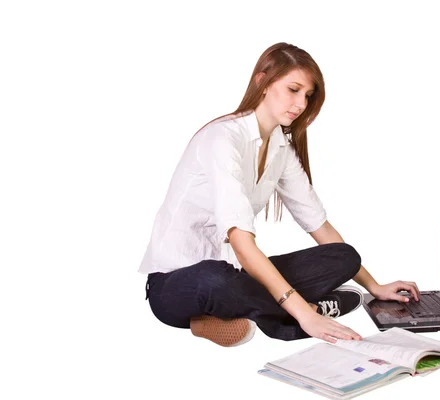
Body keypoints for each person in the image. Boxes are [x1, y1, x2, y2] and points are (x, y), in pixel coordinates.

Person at [139, 42, 420, 347]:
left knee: (345, 257)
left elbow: (319, 225)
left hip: (238, 279)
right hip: (175, 287)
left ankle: (236, 314)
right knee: (214, 278)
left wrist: (374, 286)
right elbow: (241, 243)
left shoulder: (280, 148)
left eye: (308, 95)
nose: (300, 104)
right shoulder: (222, 139)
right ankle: (296, 318)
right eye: (293, 89)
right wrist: (304, 311)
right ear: (262, 81)